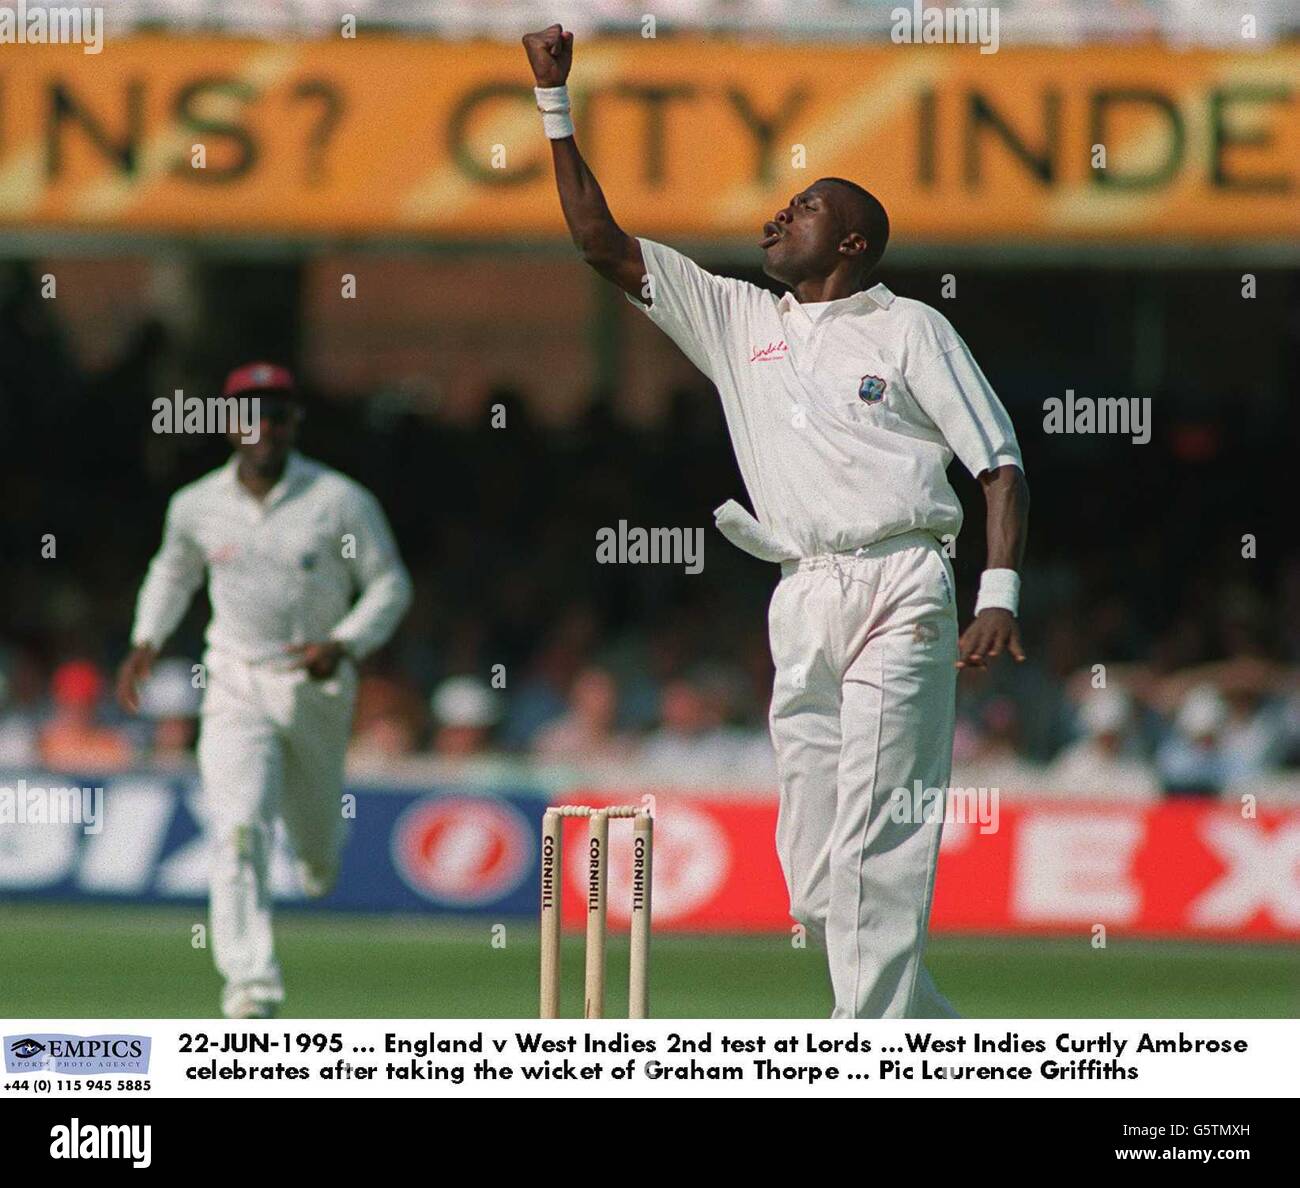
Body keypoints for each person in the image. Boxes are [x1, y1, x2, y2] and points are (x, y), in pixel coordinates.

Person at [523, 25, 1029, 1018]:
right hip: (799, 592)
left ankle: (862, 1055)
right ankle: (937, 1048)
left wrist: (997, 593)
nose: (775, 216)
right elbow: (599, 243)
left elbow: (999, 465)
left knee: (879, 829)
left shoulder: (909, 327)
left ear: (851, 242)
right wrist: (553, 103)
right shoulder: (736, 318)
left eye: (802, 209)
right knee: (817, 877)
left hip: (900, 581)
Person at [116, 363, 412, 1018]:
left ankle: (318, 852)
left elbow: (390, 584)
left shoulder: (339, 501)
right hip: (233, 677)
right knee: (241, 827)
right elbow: (171, 572)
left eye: (277, 413)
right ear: (228, 424)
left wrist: (345, 642)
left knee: (313, 852)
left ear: (294, 422)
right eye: (250, 413)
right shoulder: (196, 505)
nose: (263, 427)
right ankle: (251, 985)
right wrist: (146, 640)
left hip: (315, 685)